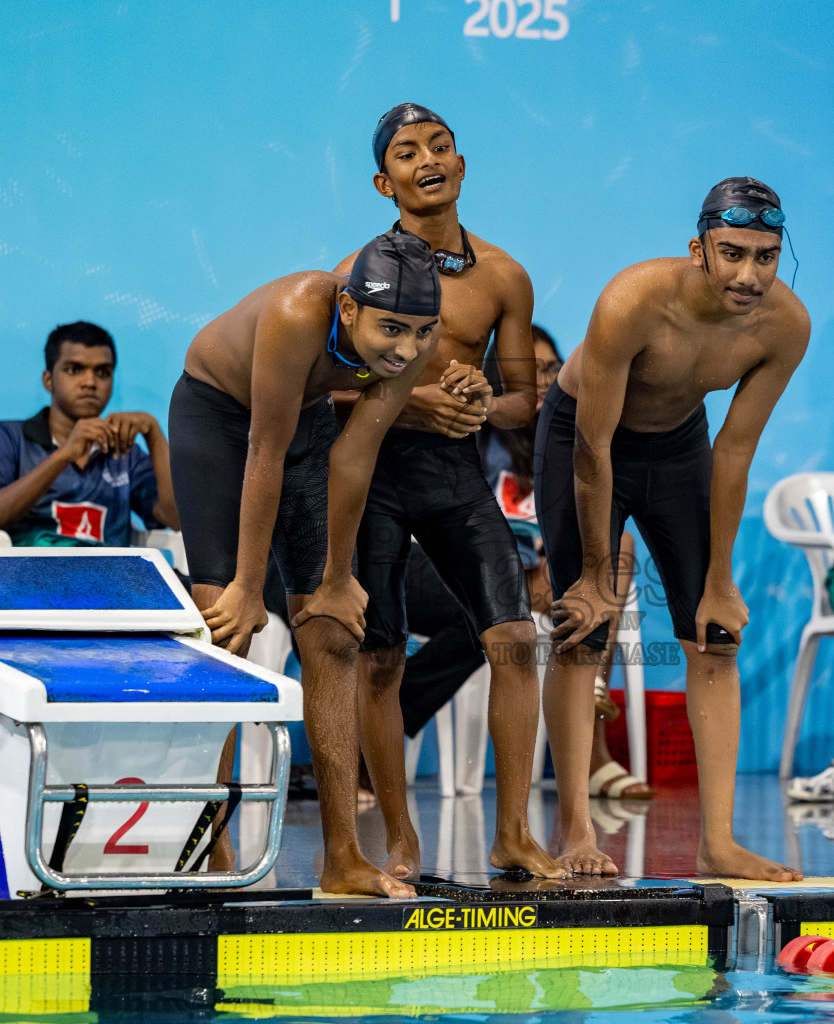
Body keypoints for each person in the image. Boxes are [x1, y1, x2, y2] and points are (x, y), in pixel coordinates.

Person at [538, 177, 808, 880]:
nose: (750, 275)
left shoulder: (786, 327)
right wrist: (598, 576)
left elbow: (736, 450)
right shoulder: (634, 301)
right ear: (699, 248)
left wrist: (719, 582)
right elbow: (593, 447)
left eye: (766, 256)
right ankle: (574, 833)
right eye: (733, 253)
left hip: (680, 448)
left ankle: (717, 843)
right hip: (586, 437)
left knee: (715, 637)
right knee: (581, 629)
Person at [170, 228, 445, 899]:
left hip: (307, 421)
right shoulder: (299, 312)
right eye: (391, 330)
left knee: (331, 632)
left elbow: (354, 458)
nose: (406, 350)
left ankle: (343, 858)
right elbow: (264, 450)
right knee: (224, 626)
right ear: (348, 310)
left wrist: (335, 577)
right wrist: (243, 585)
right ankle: (208, 838)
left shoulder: (411, 340)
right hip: (219, 418)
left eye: (421, 332)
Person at [330, 104, 560, 880]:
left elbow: (529, 400)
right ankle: (400, 839)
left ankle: (514, 835)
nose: (426, 158)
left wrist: (482, 398)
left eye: (439, 146)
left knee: (515, 640)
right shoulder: (354, 277)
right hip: (378, 479)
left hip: (455, 478)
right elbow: (319, 388)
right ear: (382, 180)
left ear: (461, 165)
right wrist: (409, 398)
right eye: (405, 151)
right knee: (383, 660)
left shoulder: (502, 277)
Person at [477, 325, 652, 799]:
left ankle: (592, 696)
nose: (542, 381)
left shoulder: (573, 437)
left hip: (559, 580)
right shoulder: (481, 442)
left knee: (620, 549)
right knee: (567, 593)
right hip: (492, 579)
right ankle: (594, 755)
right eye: (528, 372)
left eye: (551, 369)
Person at [0, 321, 177, 546]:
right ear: (48, 380)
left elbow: (176, 520)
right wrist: (64, 456)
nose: (90, 382)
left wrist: (153, 433)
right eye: (74, 369)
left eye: (103, 372)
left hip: (108, 578)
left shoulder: (125, 453)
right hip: (24, 577)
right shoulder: (7, 437)